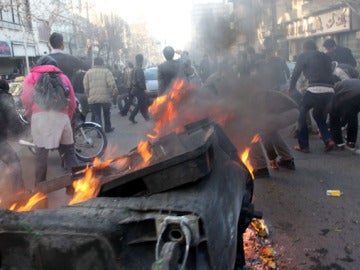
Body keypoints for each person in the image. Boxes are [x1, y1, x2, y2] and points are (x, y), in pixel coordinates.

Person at [20, 55, 78, 185]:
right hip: (61, 116)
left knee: (41, 155)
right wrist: (66, 117)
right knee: (69, 153)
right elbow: (72, 102)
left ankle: (40, 190)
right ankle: (79, 184)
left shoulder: (31, 77)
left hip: (40, 118)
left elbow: (25, 99)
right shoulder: (63, 77)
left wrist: (30, 115)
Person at [289, 39, 335, 153]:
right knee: (318, 114)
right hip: (329, 90)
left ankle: (303, 146)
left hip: (315, 89)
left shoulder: (303, 55)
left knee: (301, 114)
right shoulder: (325, 56)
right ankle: (328, 139)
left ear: (305, 48)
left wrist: (291, 87)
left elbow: (296, 73)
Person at [0, 79, 26, 194]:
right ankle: (18, 194)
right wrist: (19, 134)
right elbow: (12, 117)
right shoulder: (4, 97)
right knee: (14, 163)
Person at [83, 56, 117, 133]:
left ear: (94, 63)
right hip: (105, 97)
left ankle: (99, 131)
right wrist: (113, 91)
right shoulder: (107, 72)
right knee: (106, 113)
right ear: (102, 63)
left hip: (93, 97)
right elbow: (111, 84)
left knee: (97, 115)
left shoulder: (88, 73)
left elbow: (86, 85)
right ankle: (108, 128)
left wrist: (87, 94)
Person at [330, 78, 360, 151]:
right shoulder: (346, 82)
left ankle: (339, 143)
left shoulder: (334, 87)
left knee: (334, 116)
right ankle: (351, 142)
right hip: (356, 94)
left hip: (351, 95)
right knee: (353, 116)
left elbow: (334, 104)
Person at [128, 54, 149, 124]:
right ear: (141, 60)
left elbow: (132, 80)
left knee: (141, 103)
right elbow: (140, 80)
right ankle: (133, 116)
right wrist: (144, 89)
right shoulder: (139, 69)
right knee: (141, 103)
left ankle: (146, 117)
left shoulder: (134, 68)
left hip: (135, 89)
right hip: (139, 89)